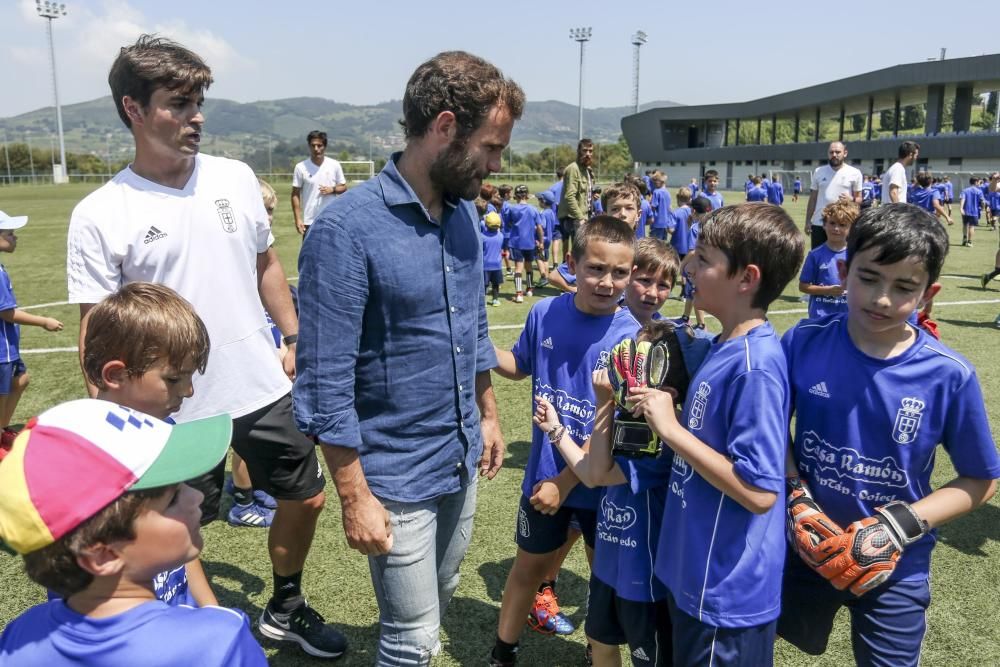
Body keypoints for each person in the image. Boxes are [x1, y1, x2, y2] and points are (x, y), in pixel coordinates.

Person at [65, 35, 346, 658]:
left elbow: (266, 266)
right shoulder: (100, 212)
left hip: (261, 383)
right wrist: (107, 418)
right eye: (177, 103)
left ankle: (285, 604)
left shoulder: (237, 177)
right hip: (168, 407)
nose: (195, 116)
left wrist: (293, 335)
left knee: (308, 496)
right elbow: (97, 331)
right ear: (132, 110)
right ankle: (197, 621)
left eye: (199, 101)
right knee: (176, 523)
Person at [295, 50, 518, 665]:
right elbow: (323, 382)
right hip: (393, 475)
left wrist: (489, 413)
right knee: (412, 641)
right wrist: (353, 494)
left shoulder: (465, 215)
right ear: (445, 128)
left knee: (437, 599)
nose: (497, 164)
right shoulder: (345, 231)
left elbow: (470, 327)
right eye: (490, 147)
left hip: (459, 457)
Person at [779, 204, 1000, 667]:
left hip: (896, 565)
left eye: (903, 287)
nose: (882, 298)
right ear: (843, 271)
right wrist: (795, 494)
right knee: (749, 643)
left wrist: (898, 526)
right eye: (869, 278)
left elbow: (980, 481)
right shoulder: (803, 341)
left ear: (928, 293)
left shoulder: (948, 375)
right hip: (801, 548)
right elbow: (770, 429)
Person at [633, 203, 805, 665]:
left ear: (746, 278)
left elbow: (759, 491)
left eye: (704, 258)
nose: (689, 265)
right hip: (691, 572)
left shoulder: (757, 367)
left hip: (724, 594)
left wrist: (670, 428)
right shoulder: (726, 343)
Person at [0, 398, 268, 666]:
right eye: (172, 499)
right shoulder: (221, 642)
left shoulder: (18, 637)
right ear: (103, 555)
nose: (196, 497)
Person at [489, 216, 638, 667]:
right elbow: (519, 363)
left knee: (603, 578)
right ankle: (502, 652)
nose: (607, 282)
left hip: (598, 488)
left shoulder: (631, 338)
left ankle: (598, 653)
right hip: (541, 478)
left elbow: (618, 438)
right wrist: (474, 346)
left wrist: (564, 483)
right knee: (528, 569)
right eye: (595, 268)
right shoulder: (544, 312)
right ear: (571, 264)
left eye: (620, 273)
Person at [533, 314, 712, 666]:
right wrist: (557, 431)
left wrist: (605, 403)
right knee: (599, 641)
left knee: (650, 658)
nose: (623, 366)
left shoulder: (662, 438)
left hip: (644, 579)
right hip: (608, 569)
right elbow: (588, 470)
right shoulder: (628, 421)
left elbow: (597, 474)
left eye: (636, 360)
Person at [80, 281, 219, 610]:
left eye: (189, 378)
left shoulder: (164, 430)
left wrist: (210, 606)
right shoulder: (83, 459)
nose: (188, 392)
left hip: (176, 610)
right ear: (116, 375)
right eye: (173, 379)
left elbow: (181, 535)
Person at [0, 211, 63, 459]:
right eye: (9, 234)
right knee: (2, 392)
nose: (16, 238)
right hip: (2, 349)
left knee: (21, 380)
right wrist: (44, 322)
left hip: (8, 347)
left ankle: (3, 428)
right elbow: (7, 313)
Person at [798, 199, 858, 320]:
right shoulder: (814, 255)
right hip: (820, 317)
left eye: (842, 225)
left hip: (847, 317)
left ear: (851, 229)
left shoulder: (855, 255)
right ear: (824, 225)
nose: (836, 228)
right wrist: (827, 290)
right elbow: (803, 287)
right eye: (832, 223)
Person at [805, 141, 863, 249]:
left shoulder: (855, 173)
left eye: (837, 152)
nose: (834, 155)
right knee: (818, 257)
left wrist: (852, 199)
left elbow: (860, 199)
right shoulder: (819, 171)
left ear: (845, 153)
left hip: (843, 224)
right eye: (831, 152)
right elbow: (813, 198)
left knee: (842, 259)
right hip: (820, 223)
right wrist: (808, 220)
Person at [291, 130, 346, 236]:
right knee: (310, 253)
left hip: (331, 219)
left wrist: (332, 189)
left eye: (319, 145)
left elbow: (343, 187)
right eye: (313, 145)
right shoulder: (300, 167)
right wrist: (298, 219)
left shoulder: (334, 165)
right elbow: (295, 194)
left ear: (324, 146)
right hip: (310, 221)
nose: (316, 149)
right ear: (309, 146)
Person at [678, 197, 713, 330]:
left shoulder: (695, 227)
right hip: (708, 264)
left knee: (694, 292)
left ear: (693, 210)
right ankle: (685, 316)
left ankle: (701, 324)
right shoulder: (712, 226)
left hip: (697, 267)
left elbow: (693, 252)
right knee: (689, 293)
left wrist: (682, 265)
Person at [557, 139, 595, 253]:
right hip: (573, 218)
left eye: (590, 151)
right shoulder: (573, 169)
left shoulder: (588, 170)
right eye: (585, 151)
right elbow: (569, 196)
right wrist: (580, 217)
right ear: (579, 151)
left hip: (585, 215)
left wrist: (593, 195)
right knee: (579, 253)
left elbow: (585, 193)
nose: (588, 154)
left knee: (583, 251)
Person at [508, 184, 544, 302]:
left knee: (518, 268)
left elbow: (508, 223)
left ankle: (519, 294)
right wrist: (541, 242)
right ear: (527, 196)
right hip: (529, 242)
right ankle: (529, 289)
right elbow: (539, 227)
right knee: (529, 266)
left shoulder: (512, 208)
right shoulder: (533, 209)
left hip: (516, 242)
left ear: (516, 196)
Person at [882, 140, 920, 204]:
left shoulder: (897, 168)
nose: (916, 158)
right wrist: (899, 212)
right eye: (916, 155)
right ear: (911, 154)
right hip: (893, 212)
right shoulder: (898, 169)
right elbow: (893, 192)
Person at [483, 211, 504, 306]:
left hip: (485, 265)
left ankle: (483, 301)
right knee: (496, 284)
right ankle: (495, 299)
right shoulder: (501, 236)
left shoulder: (482, 236)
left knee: (484, 284)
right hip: (497, 265)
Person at [960, 176, 985, 247]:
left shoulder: (965, 190)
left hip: (965, 211)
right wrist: (983, 208)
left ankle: (964, 238)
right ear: (976, 182)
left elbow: (963, 199)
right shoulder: (979, 191)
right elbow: (982, 201)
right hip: (974, 212)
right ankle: (969, 242)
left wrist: (961, 208)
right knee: (971, 226)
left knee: (965, 225)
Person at [649, 171, 672, 240]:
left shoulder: (656, 192)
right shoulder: (667, 192)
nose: (654, 182)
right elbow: (669, 208)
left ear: (661, 181)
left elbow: (653, 207)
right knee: (662, 244)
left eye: (655, 180)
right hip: (665, 223)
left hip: (657, 223)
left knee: (654, 244)